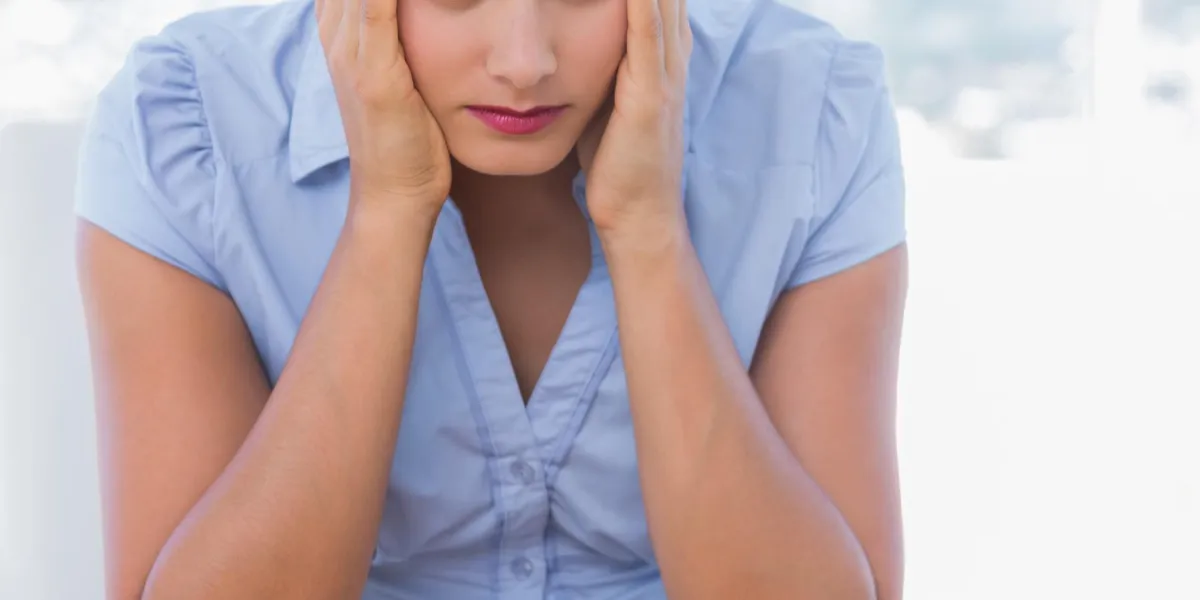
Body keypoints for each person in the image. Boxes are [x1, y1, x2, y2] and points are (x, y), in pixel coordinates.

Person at [74, 0, 908, 597]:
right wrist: (387, 216)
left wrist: (649, 229)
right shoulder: (190, 125)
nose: (523, 59)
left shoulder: (812, 110)